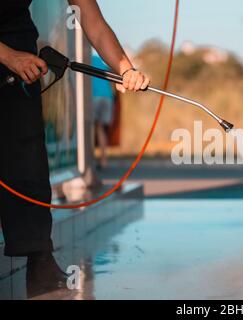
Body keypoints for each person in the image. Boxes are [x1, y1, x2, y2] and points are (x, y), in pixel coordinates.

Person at [0, 0, 150, 297]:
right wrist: (9, 56)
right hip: (9, 52)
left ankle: (39, 260)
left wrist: (124, 69)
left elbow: (93, 21)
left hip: (16, 42)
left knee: (28, 156)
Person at [92, 53, 115, 169]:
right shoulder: (101, 60)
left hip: (94, 96)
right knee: (100, 128)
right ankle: (103, 160)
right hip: (107, 97)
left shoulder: (84, 58)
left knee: (89, 128)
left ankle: (88, 161)